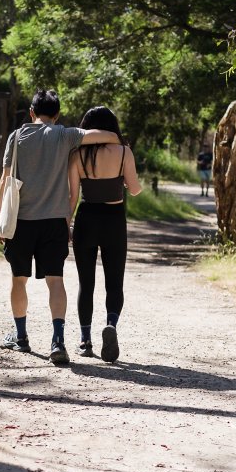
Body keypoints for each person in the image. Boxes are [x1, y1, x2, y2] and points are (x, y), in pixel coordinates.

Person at [0, 90, 120, 366]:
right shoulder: (66, 135)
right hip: (54, 222)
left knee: (19, 280)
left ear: (31, 112)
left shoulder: (16, 137)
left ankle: (22, 338)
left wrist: (0, 221)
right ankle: (58, 341)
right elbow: (109, 136)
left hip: (20, 222)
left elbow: (5, 181)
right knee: (56, 281)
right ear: (57, 115)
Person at [67, 106, 141, 363]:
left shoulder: (77, 154)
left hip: (86, 218)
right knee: (114, 281)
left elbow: (72, 197)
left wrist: (67, 224)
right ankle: (111, 324)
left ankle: (85, 340)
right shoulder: (123, 152)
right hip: (113, 219)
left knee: (85, 283)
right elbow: (135, 189)